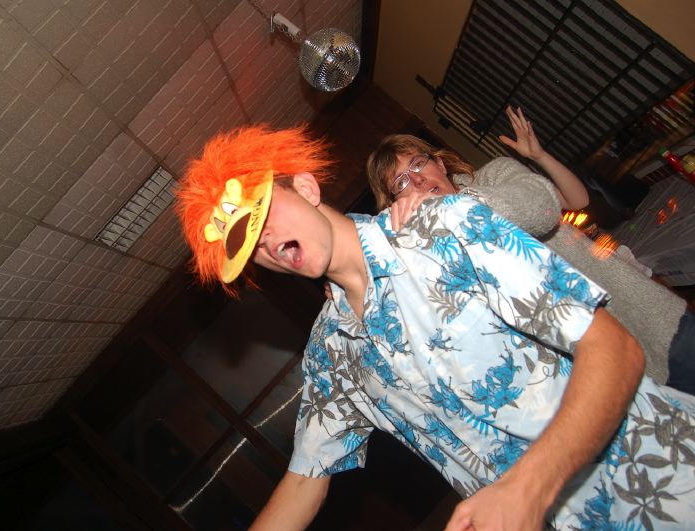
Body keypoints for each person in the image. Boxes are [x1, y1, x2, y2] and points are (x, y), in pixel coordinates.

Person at [176, 125, 695, 530]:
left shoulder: (446, 225)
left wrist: (528, 489)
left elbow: (615, 349)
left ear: (307, 188)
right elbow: (303, 481)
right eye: (249, 245)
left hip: (667, 476)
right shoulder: (331, 354)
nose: (266, 242)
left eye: (263, 213)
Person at [367, 106, 694, 395]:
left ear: (439, 163)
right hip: (610, 371)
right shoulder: (437, 260)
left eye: (418, 164)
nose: (418, 181)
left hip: (644, 316)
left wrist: (534, 159)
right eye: (401, 183)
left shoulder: (493, 176)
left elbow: (547, 206)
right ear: (397, 204)